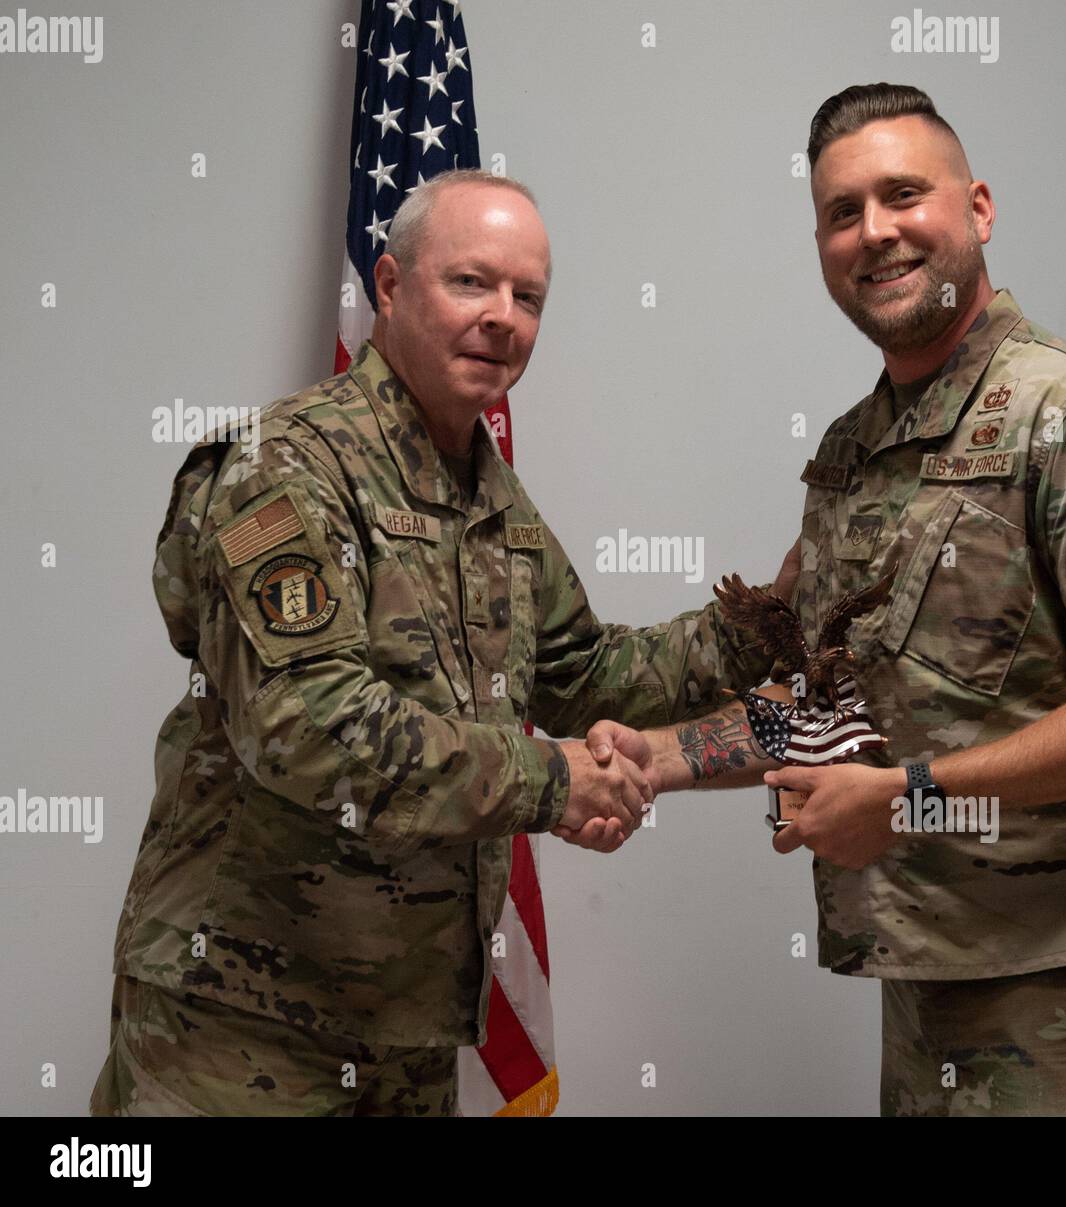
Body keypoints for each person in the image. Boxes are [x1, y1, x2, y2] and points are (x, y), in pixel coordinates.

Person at [569, 83, 1066, 1117]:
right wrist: (657, 757)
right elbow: (842, 708)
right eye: (840, 212)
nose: (874, 232)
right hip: (927, 993)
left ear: (978, 208)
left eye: (902, 194)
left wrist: (908, 798)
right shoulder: (852, 452)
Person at [89, 170, 794, 1117]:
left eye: (528, 296)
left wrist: (768, 619)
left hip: (407, 1028)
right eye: (471, 283)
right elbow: (310, 726)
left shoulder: (487, 495)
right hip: (244, 1028)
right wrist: (554, 782)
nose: (503, 317)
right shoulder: (283, 467)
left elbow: (586, 672)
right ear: (388, 286)